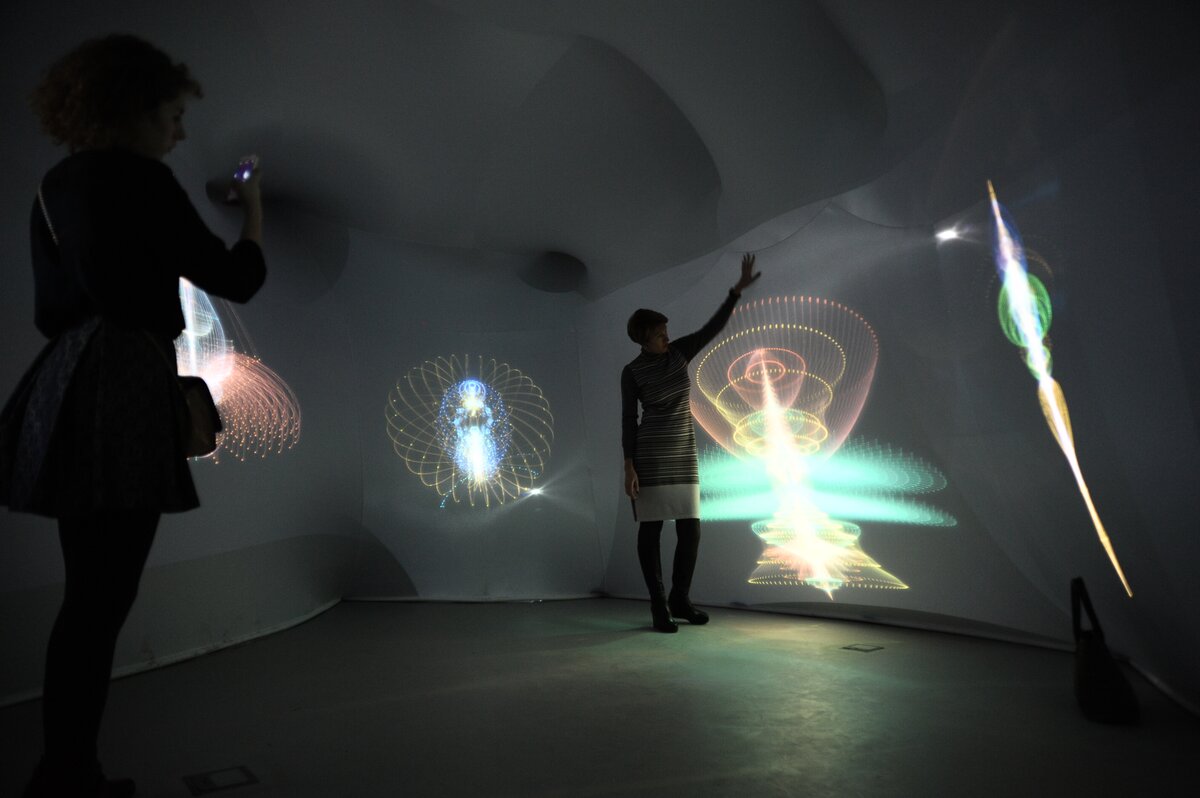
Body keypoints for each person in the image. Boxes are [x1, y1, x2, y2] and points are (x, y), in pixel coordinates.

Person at [0, 34, 267, 797]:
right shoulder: (144, 179)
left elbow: (51, 312)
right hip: (124, 382)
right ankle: (66, 777)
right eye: (171, 115)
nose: (177, 132)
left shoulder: (52, 188)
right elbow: (234, 278)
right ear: (134, 109)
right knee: (104, 598)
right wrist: (252, 209)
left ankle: (65, 770)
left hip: (66, 382)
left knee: (85, 597)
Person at [622, 253, 760, 632]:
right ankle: (658, 606)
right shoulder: (632, 372)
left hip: (683, 453)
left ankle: (679, 599)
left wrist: (736, 291)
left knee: (690, 528)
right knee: (651, 529)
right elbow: (628, 420)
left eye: (666, 331)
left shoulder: (680, 353)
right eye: (659, 334)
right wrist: (629, 466)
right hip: (651, 456)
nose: (667, 337)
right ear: (643, 339)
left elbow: (712, 327)